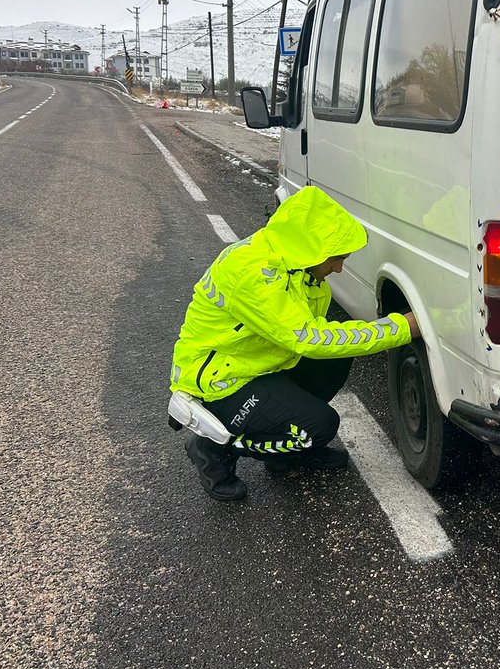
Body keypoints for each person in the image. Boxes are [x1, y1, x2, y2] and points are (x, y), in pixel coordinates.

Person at [169, 186, 419, 501]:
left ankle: (284, 452)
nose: (339, 268)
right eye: (337, 258)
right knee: (323, 425)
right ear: (310, 247)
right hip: (221, 383)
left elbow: (318, 337)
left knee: (336, 357)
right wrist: (401, 327)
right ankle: (212, 447)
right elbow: (311, 339)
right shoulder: (256, 275)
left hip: (258, 364)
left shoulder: (298, 267)